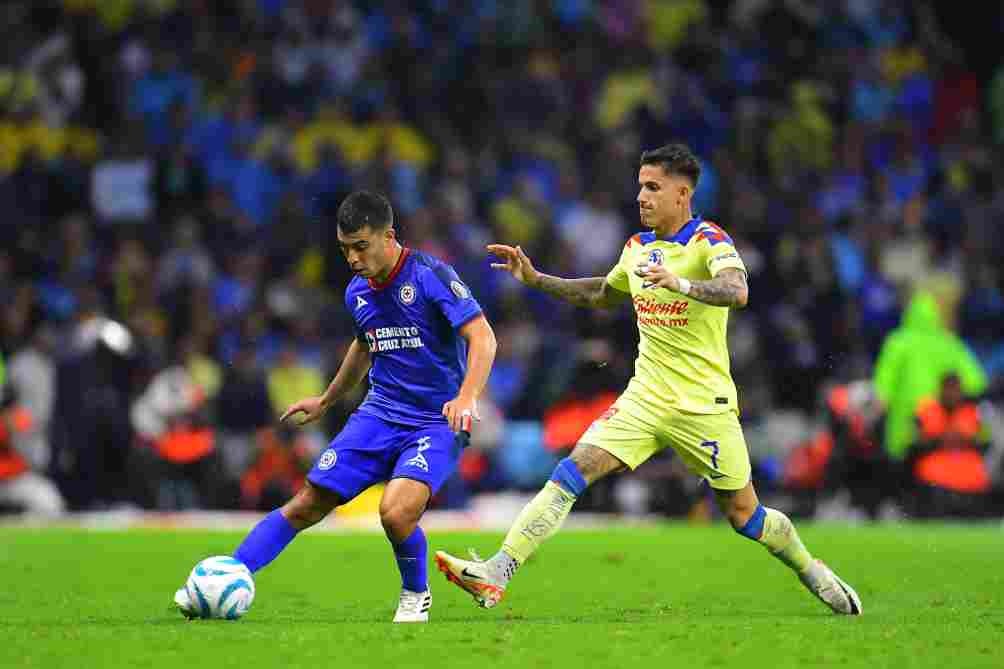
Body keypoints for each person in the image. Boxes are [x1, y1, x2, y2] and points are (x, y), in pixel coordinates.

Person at [435, 144, 861, 615]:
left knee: (745, 516)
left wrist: (681, 285)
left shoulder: (709, 242)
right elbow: (602, 291)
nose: (641, 196)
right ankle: (498, 571)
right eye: (640, 185)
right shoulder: (638, 248)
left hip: (704, 405)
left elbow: (737, 291)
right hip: (645, 397)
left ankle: (810, 568)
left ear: (682, 194)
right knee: (574, 469)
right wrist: (537, 279)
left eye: (653, 187)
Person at [173, 191, 497, 622]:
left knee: (396, 513)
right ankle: (223, 578)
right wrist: (326, 400)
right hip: (379, 414)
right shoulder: (357, 292)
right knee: (307, 502)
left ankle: (416, 593)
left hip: (436, 420)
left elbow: (483, 337)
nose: (353, 258)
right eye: (345, 249)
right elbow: (364, 344)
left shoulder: (430, 275)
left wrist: (467, 396)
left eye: (361, 246)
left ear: (389, 236)